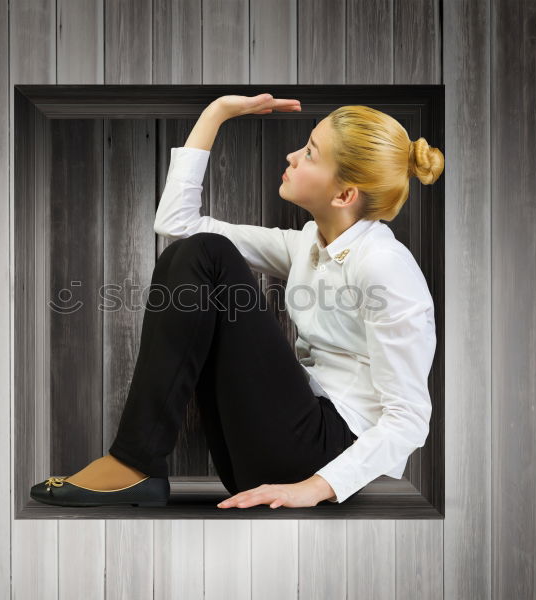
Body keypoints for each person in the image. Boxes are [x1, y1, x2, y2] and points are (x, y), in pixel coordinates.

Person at [30, 93, 443, 509]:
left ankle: (134, 464)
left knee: (210, 253)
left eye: (310, 154)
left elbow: (408, 420)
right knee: (196, 252)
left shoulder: (385, 267)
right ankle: (136, 466)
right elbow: (179, 227)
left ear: (344, 195)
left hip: (321, 456)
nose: (292, 155)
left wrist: (316, 487)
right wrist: (216, 114)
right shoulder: (307, 246)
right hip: (263, 452)